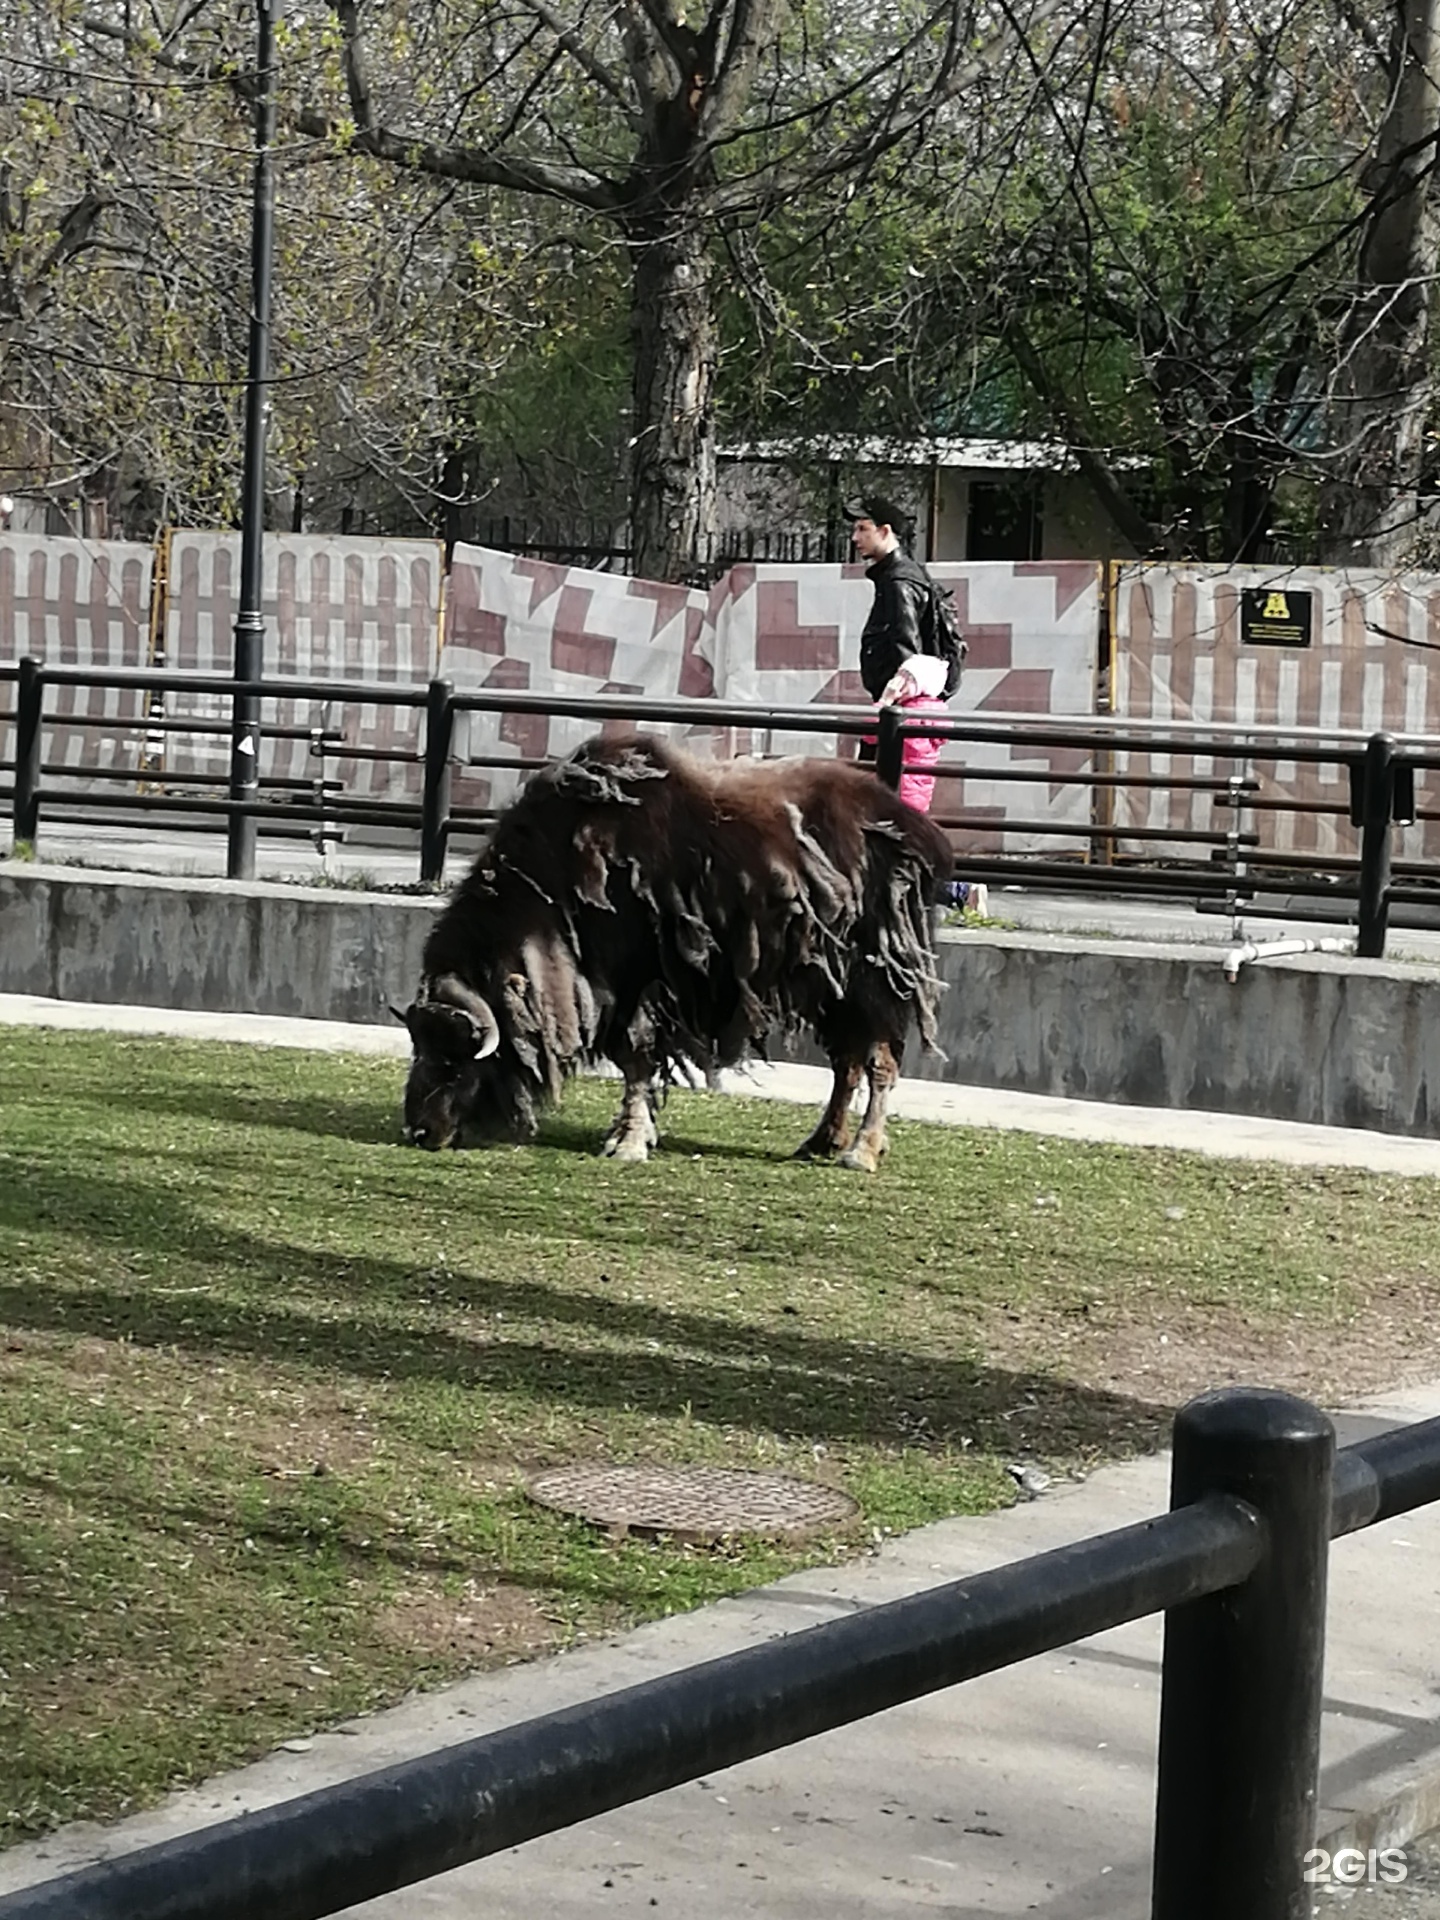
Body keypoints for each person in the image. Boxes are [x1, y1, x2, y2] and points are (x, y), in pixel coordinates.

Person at [847, 494, 951, 814]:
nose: (855, 538)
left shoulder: (898, 583)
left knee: (880, 807)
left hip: (898, 714)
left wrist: (891, 700)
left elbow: (906, 653)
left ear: (885, 531)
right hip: (906, 714)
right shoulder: (904, 577)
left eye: (863, 528)